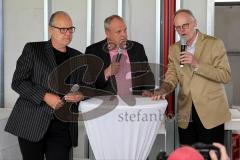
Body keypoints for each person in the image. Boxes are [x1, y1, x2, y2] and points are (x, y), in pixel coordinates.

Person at [5, 11, 86, 160]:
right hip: (31, 122)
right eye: (63, 29)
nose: (68, 33)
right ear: (50, 29)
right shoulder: (33, 50)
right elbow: (18, 82)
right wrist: (44, 96)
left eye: (70, 29)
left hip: (62, 126)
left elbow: (85, 87)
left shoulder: (78, 57)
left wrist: (80, 95)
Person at [152, 9, 231, 145]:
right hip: (186, 114)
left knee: (211, 155)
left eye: (185, 25)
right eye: (177, 27)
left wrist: (196, 64)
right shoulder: (174, 49)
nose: (181, 30)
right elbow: (171, 77)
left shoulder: (214, 44)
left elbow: (225, 76)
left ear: (195, 23)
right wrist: (163, 90)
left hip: (211, 113)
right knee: (188, 155)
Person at [85, 15, 154, 96]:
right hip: (107, 105)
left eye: (125, 30)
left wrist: (147, 89)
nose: (123, 35)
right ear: (107, 33)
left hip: (134, 104)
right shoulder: (93, 51)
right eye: (118, 32)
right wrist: (106, 73)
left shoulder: (137, 48)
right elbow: (87, 84)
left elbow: (147, 75)